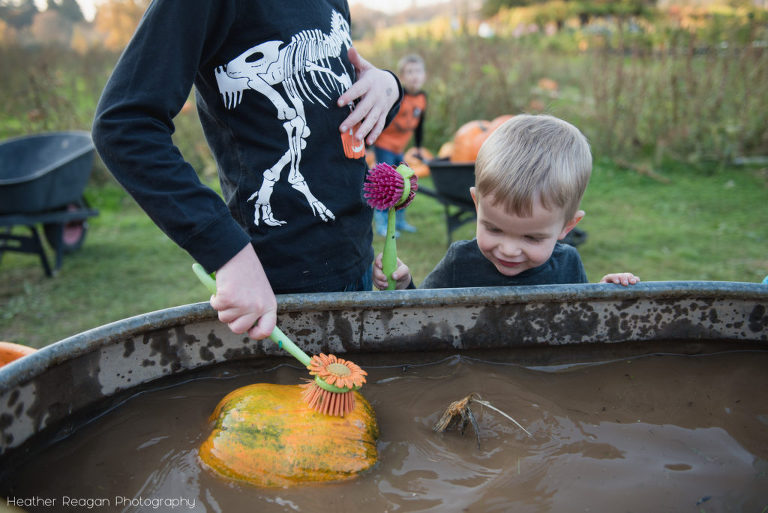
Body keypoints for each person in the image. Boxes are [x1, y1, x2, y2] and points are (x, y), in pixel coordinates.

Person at [92, 1, 402, 341]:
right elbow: (124, 125)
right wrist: (227, 252)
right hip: (277, 287)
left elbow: (331, 107)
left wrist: (388, 87)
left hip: (357, 260)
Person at [372, 114, 640, 289]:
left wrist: (606, 296)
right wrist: (405, 284)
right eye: (494, 229)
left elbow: (581, 323)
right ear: (477, 205)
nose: (509, 250)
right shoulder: (459, 263)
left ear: (567, 227)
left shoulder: (568, 264)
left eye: (532, 238)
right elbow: (421, 315)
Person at [371, 54, 427, 236]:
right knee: (386, 185)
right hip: (384, 145)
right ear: (402, 77)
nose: (414, 76)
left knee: (405, 185)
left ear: (424, 75)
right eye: (409, 72)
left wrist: (418, 147)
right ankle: (381, 222)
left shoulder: (422, 98)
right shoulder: (398, 96)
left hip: (400, 149)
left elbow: (420, 125)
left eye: (418, 71)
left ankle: (400, 220)